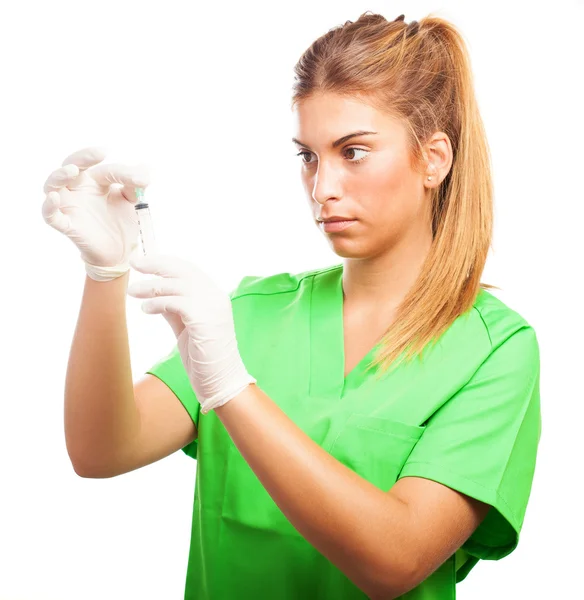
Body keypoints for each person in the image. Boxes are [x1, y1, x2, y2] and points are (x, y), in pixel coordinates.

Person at [41, 11, 541, 600]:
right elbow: (101, 450)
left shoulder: (495, 350)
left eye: (353, 152)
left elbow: (394, 561)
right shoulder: (254, 312)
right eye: (308, 155)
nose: (322, 187)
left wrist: (230, 387)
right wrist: (105, 272)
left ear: (433, 159)